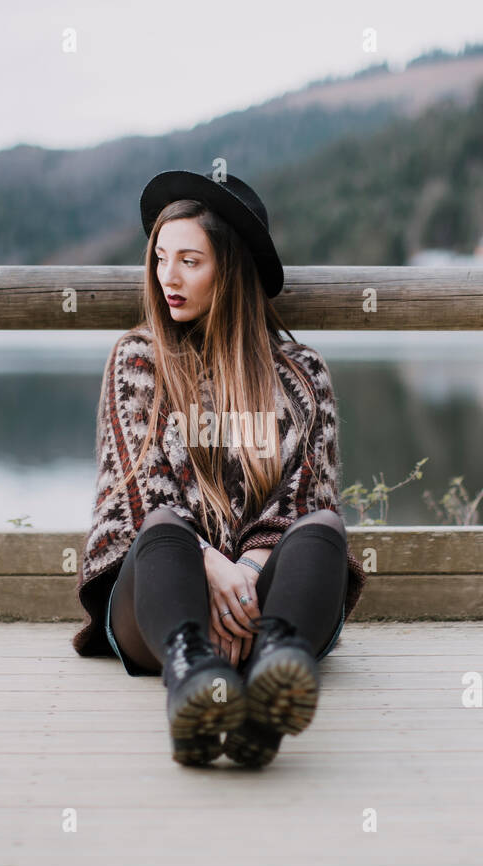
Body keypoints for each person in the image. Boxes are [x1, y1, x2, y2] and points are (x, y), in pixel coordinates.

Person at [72, 169, 367, 768]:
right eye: (160, 259)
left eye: (190, 261)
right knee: (162, 529)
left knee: (325, 528)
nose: (168, 278)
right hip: (160, 606)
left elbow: (305, 496)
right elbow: (135, 497)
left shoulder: (302, 375)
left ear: (230, 270)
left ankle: (274, 672)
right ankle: (193, 679)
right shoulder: (140, 361)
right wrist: (211, 570)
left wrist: (251, 571)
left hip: (268, 605)